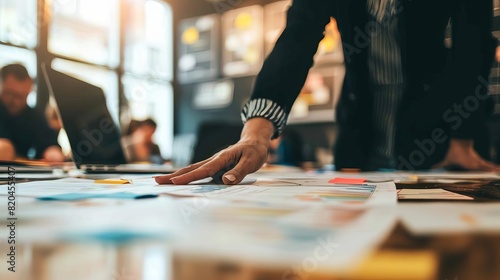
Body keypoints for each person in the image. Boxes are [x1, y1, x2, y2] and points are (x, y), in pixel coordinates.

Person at [156, 0, 500, 185]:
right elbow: (298, 38)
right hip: (360, 133)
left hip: (445, 132)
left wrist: (462, 135)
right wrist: (256, 134)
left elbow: (474, 41)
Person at [0, 64, 64, 162]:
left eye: (22, 96)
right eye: (11, 94)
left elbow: (48, 142)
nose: (16, 102)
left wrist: (53, 152)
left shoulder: (33, 116)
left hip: (18, 175)